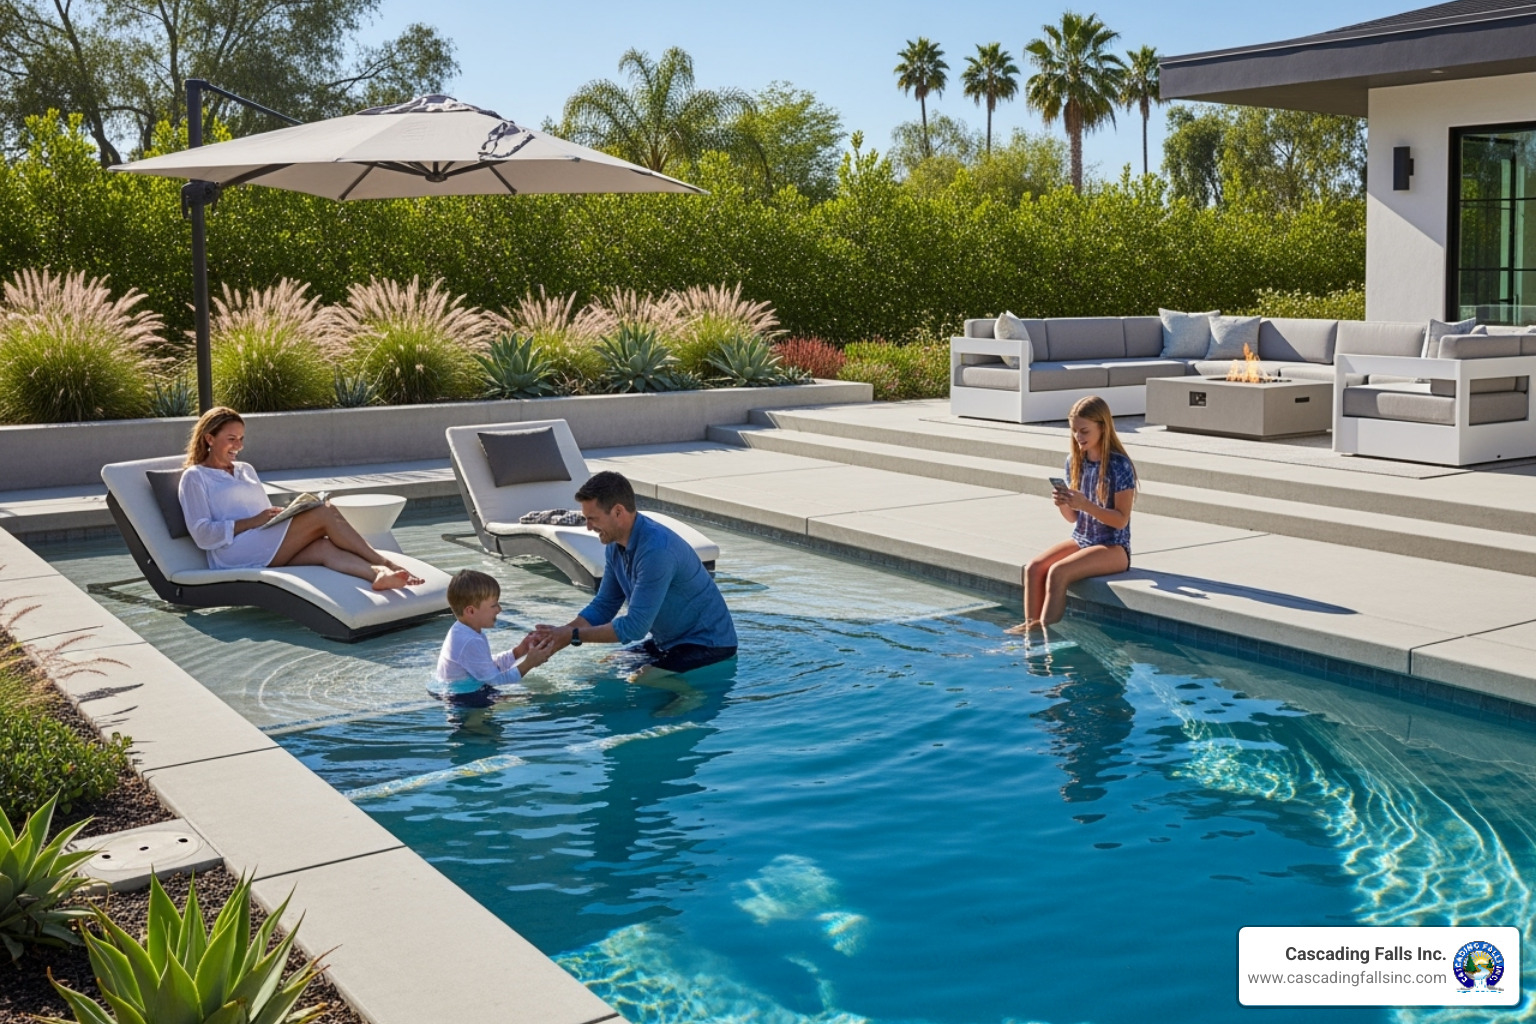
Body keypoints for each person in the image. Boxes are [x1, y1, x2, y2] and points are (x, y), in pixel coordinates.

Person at [177, 406, 423, 590]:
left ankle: (377, 574)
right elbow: (202, 534)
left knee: (325, 547)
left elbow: (262, 513)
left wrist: (281, 515)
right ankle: (385, 561)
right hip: (231, 553)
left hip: (261, 540)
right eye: (231, 439)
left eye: (241, 439)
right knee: (323, 512)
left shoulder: (245, 469)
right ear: (209, 438)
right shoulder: (195, 477)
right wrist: (252, 522)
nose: (238, 446)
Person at [534, 471, 737, 674]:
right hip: (667, 642)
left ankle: (690, 699)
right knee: (607, 665)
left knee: (644, 677)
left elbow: (635, 627)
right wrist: (558, 636)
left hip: (708, 643)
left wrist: (574, 636)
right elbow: (604, 605)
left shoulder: (656, 552)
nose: (588, 528)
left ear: (618, 512)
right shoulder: (615, 546)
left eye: (592, 519)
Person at [1008, 395, 1137, 633]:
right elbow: (1073, 519)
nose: (1078, 437)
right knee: (1034, 567)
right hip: (1082, 539)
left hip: (1113, 547)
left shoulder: (1120, 466)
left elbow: (1121, 521)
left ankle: (1044, 633)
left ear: (1103, 427)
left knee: (1058, 572)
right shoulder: (1074, 461)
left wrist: (1087, 505)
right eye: (1074, 431)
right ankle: (1029, 627)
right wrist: (1063, 504)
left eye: (1084, 431)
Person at [432, 569, 553, 699]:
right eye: (494, 605)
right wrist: (529, 663)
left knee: (531, 697)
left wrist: (520, 650)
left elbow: (487, 665)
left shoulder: (465, 630)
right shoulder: (469, 640)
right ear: (471, 611)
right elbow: (496, 682)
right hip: (464, 701)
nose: (499, 609)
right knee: (537, 699)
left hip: (467, 692)